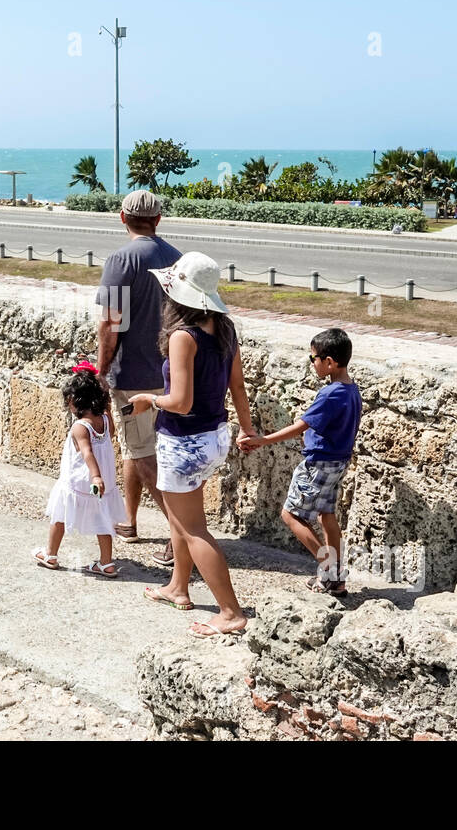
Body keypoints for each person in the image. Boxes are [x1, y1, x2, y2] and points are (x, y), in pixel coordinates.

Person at [129, 252, 257, 637]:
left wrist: (148, 399)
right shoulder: (225, 329)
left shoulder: (183, 337)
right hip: (213, 436)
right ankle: (178, 587)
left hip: (183, 442)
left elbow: (180, 402)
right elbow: (237, 386)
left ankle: (230, 612)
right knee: (181, 517)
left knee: (192, 528)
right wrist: (247, 429)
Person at [240, 328, 362, 596]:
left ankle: (330, 570)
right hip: (337, 463)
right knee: (326, 515)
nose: (312, 364)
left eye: (313, 359)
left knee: (291, 514)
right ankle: (336, 578)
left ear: (329, 362)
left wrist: (263, 440)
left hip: (317, 464)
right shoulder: (352, 391)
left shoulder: (330, 394)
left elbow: (301, 426)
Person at [95, 190, 182, 566]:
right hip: (171, 372)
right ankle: (129, 521)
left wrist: (101, 369)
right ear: (159, 220)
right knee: (141, 447)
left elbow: (111, 323)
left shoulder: (121, 259)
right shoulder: (177, 258)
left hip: (133, 374)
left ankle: (180, 534)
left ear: (122, 217)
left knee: (144, 454)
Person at [32, 362, 125, 577]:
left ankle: (51, 554)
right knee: (103, 518)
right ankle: (106, 563)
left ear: (74, 401)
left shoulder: (79, 427)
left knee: (61, 512)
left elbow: (86, 453)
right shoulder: (104, 419)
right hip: (102, 483)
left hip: (80, 481)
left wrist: (94, 475)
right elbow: (106, 439)